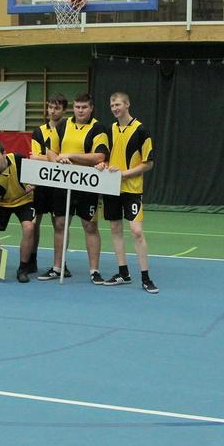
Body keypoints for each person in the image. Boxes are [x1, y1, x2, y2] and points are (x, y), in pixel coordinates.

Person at [96, 92, 159, 295]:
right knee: (115, 229)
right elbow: (104, 157)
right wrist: (103, 165)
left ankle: (146, 278)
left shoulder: (141, 130)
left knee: (136, 231)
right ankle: (123, 273)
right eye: (112, 105)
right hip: (111, 188)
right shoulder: (109, 130)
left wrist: (124, 174)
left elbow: (148, 164)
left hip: (132, 189)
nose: (115, 108)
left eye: (118, 104)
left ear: (127, 104)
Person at [43, 93, 110, 284]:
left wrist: (70, 156)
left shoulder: (98, 128)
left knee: (90, 226)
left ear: (91, 108)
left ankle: (94, 271)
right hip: (63, 183)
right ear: (73, 108)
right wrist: (58, 160)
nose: (80, 110)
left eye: (84, 107)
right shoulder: (62, 125)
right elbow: (51, 151)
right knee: (60, 224)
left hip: (87, 185)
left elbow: (99, 156)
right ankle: (57, 267)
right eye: (77, 107)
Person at [0, 141, 36, 283]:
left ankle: (23, 268)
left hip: (24, 199)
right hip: (2, 204)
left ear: (4, 154)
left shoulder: (18, 159)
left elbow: (35, 173)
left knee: (29, 228)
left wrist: (31, 184)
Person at [29, 93, 71, 278]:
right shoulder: (39, 132)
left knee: (59, 224)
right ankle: (31, 260)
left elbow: (66, 158)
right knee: (33, 223)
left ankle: (61, 264)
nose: (53, 111)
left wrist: (45, 157)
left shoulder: (69, 130)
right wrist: (55, 158)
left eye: (57, 108)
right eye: (50, 107)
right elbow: (33, 157)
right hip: (40, 183)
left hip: (60, 184)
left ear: (64, 110)